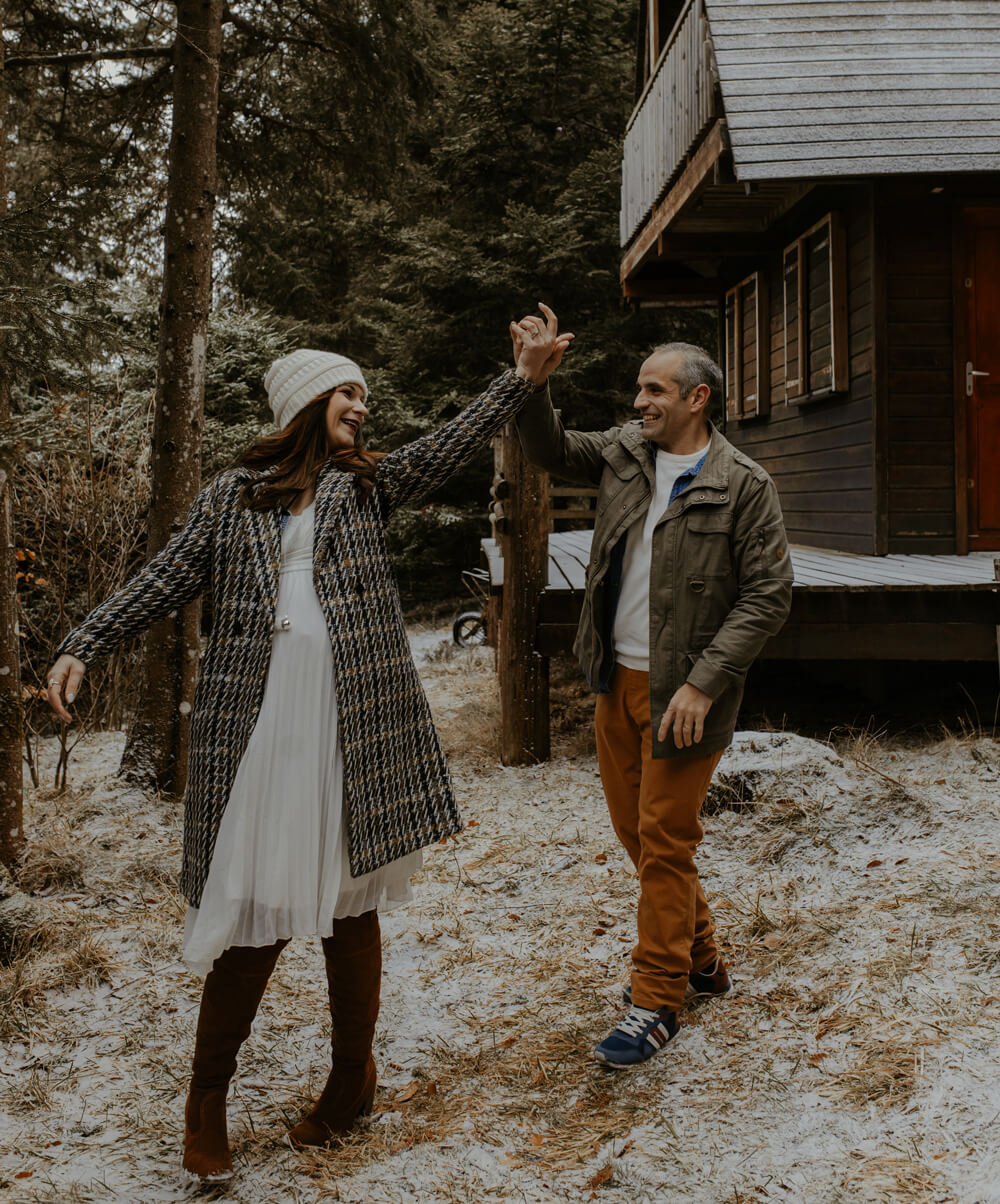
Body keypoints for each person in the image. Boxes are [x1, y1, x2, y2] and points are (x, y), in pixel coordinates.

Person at [45, 335, 568, 1179]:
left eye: (364, 395)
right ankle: (206, 1099)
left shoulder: (368, 486)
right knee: (251, 902)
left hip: (352, 719)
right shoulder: (232, 499)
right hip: (260, 725)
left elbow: (449, 441)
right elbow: (163, 577)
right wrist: (87, 640)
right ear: (304, 406)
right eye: (346, 394)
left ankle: (349, 1080)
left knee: (351, 903)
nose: (362, 407)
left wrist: (519, 381)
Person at [511, 306, 793, 1069]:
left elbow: (768, 595)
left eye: (654, 390)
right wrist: (532, 385)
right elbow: (547, 448)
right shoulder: (627, 453)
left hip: (684, 694)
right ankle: (701, 956)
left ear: (697, 398)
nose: (640, 402)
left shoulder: (744, 484)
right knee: (638, 836)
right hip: (616, 679)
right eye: (640, 390)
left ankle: (657, 998)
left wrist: (704, 683)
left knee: (665, 840)